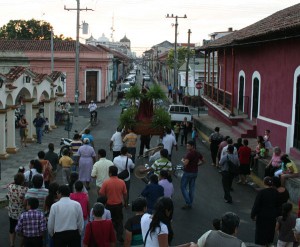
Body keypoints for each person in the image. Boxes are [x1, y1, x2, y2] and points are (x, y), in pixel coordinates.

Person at [99, 166, 127, 243]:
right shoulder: (122, 182)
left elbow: (101, 193)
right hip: (118, 205)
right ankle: (119, 236)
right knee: (119, 221)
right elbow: (125, 194)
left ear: (110, 173)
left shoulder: (106, 182)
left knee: (109, 221)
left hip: (109, 205)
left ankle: (109, 236)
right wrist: (125, 203)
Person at [251, 176, 280, 246]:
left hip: (262, 216)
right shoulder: (276, 192)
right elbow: (278, 205)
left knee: (260, 232)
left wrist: (253, 215)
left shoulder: (262, 192)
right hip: (272, 216)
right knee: (270, 231)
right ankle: (268, 243)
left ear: (264, 183)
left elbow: (256, 205)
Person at [181, 140, 204, 209]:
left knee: (183, 187)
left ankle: (188, 202)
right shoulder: (197, 153)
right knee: (192, 188)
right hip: (195, 173)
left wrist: (182, 160)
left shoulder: (189, 154)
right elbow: (204, 161)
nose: (187, 147)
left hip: (188, 172)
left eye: (188, 146)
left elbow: (185, 163)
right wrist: (197, 165)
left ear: (192, 146)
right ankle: (190, 202)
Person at [7, 173, 28, 247]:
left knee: (12, 228)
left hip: (12, 211)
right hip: (21, 213)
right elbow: (25, 202)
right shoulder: (25, 189)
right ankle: (21, 245)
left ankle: (12, 244)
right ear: (22, 181)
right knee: (23, 230)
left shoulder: (10, 187)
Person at [70, 181, 90, 245]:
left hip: (73, 218)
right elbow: (88, 207)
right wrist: (89, 216)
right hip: (84, 218)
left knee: (73, 237)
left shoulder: (71, 196)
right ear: (82, 188)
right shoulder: (86, 196)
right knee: (83, 236)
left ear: (75, 188)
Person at [44, 182, 59, 247]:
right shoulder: (59, 199)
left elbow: (45, 209)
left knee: (50, 236)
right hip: (58, 219)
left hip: (49, 218)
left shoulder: (47, 197)